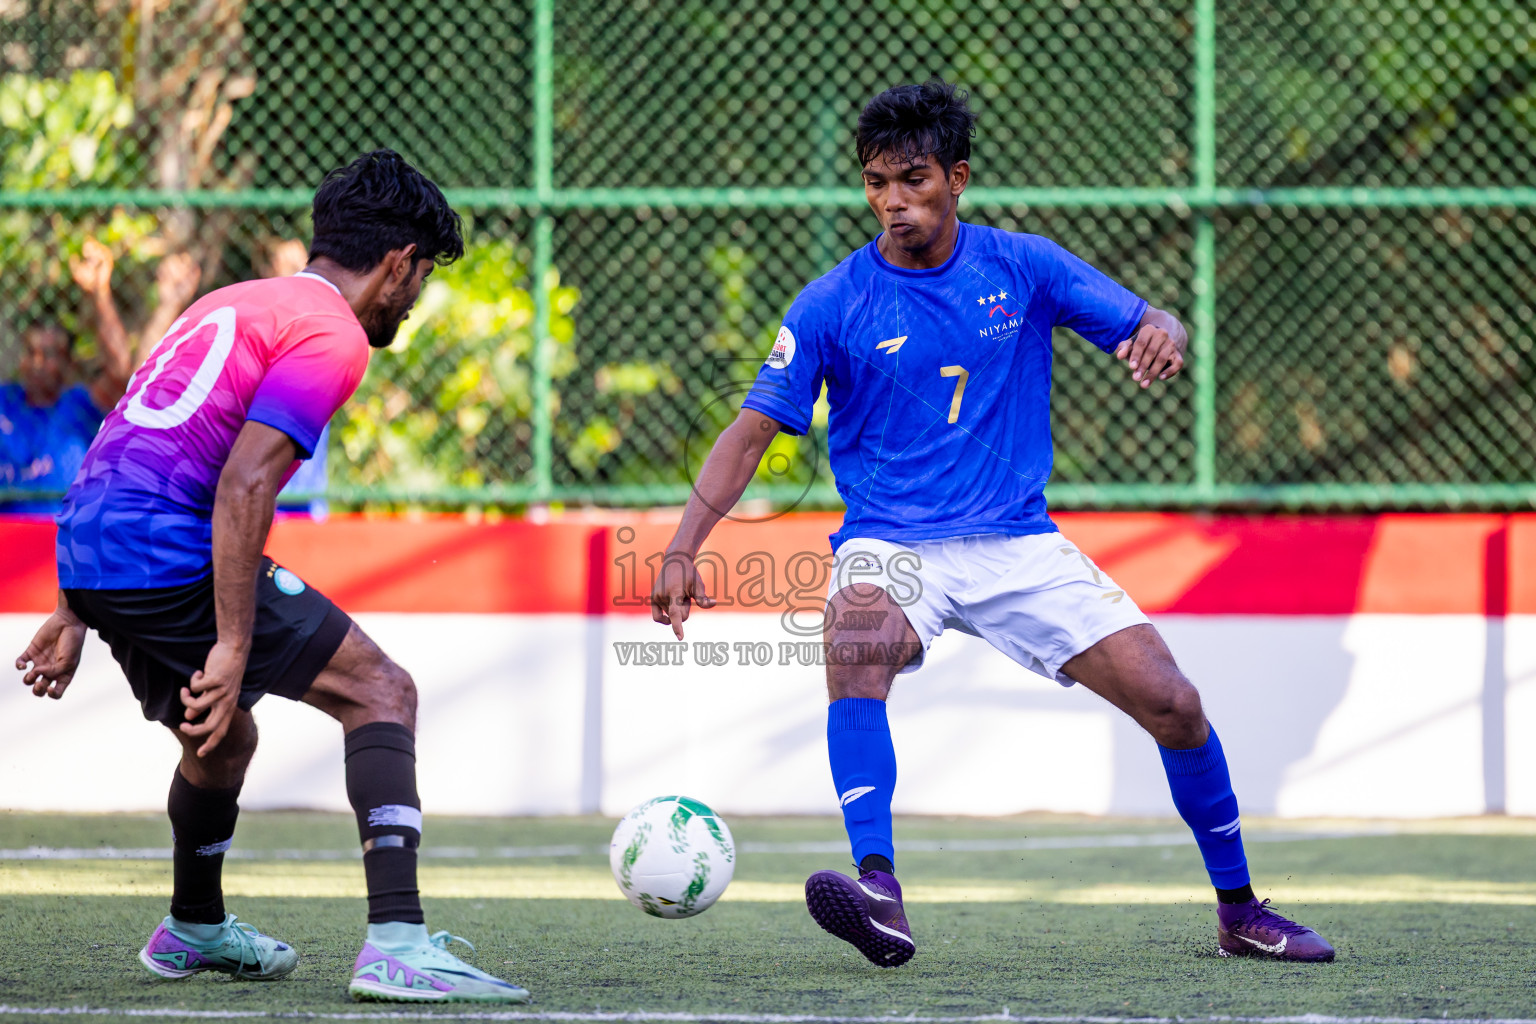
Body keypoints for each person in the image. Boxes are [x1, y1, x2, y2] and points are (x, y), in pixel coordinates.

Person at [650, 80, 1335, 967]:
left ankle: (1241, 910)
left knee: (1174, 702)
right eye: (875, 184)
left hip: (1018, 543)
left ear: (957, 177)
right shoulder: (832, 303)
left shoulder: (1024, 266)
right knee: (856, 642)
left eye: (913, 180)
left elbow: (1145, 318)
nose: (893, 202)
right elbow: (747, 436)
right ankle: (880, 891)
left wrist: (1163, 331)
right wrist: (679, 549)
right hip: (891, 541)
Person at [14, 149, 530, 1003]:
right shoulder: (331, 334)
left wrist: (72, 607)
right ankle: (398, 942)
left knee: (221, 738)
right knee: (380, 691)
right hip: (162, 546)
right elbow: (247, 480)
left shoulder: (233, 301)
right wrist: (233, 639)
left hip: (95, 544)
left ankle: (194, 927)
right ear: (398, 264)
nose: (414, 300)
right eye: (423, 278)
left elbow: (121, 439)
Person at [0, 240, 140, 513]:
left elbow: (121, 370)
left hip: (63, 537)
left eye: (50, 354)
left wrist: (99, 294)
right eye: (32, 352)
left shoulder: (79, 404)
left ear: (67, 363)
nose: (38, 363)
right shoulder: (6, 401)